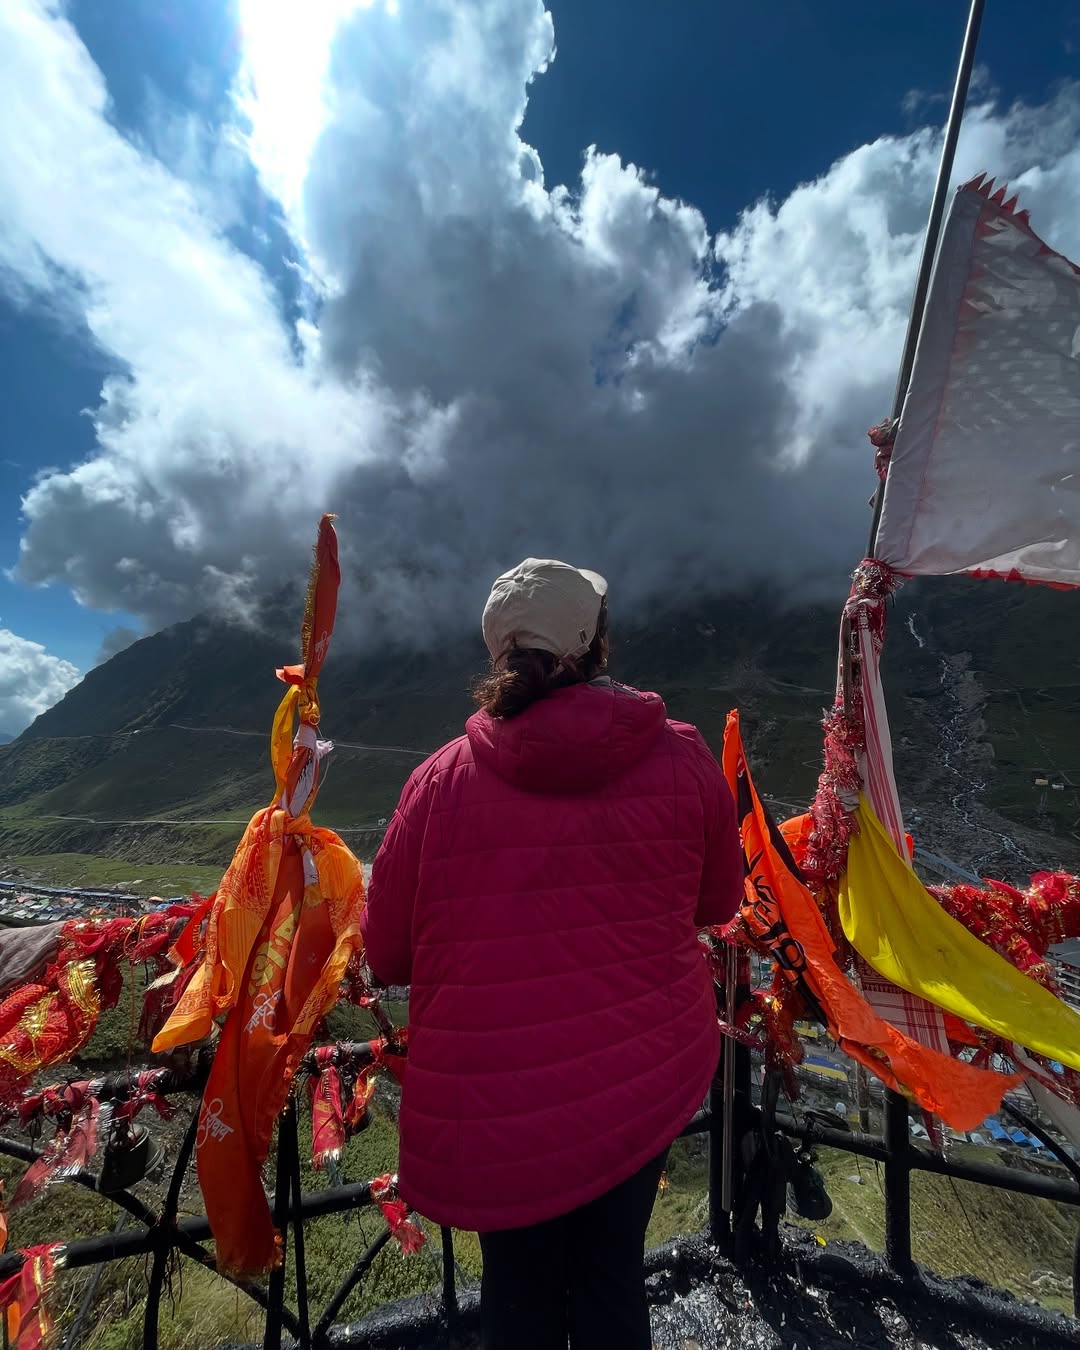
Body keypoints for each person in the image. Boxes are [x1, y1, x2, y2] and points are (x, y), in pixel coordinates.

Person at [361, 558, 743, 1349]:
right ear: (595, 645)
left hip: (497, 1101)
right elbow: (718, 905)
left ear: (500, 654)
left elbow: (388, 953)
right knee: (613, 1280)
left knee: (518, 1298)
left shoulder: (437, 781)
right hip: (644, 1073)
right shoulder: (683, 757)